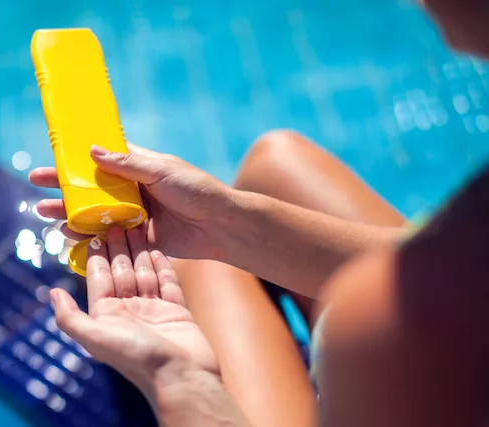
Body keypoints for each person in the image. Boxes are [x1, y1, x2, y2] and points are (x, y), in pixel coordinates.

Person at [30, 1, 489, 425]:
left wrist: (179, 382)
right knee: (278, 158)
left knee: (195, 265)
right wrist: (224, 221)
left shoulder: (385, 330)